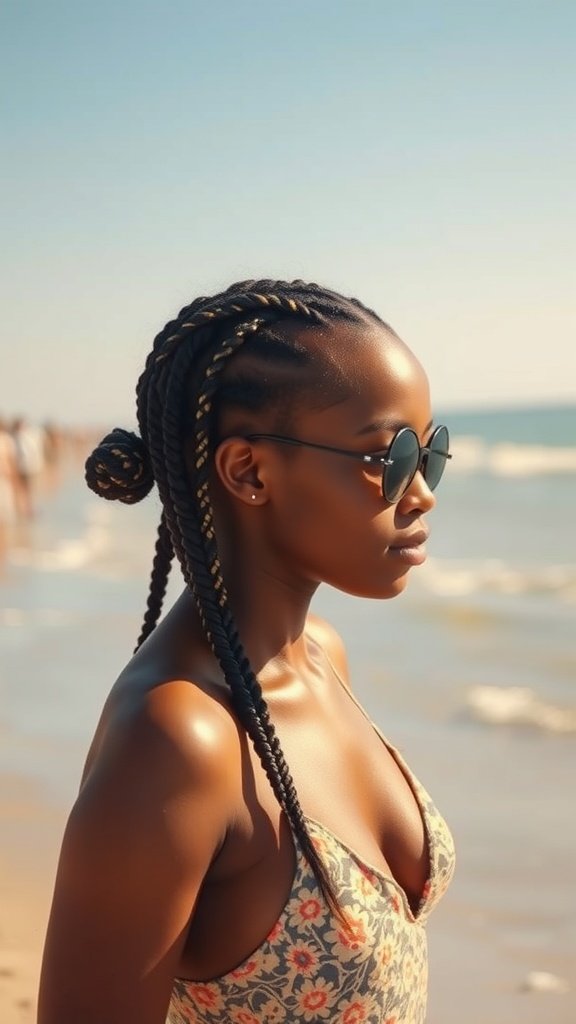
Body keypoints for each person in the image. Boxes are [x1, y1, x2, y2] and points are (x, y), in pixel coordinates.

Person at [38, 279, 455, 1024]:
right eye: (387, 457)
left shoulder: (321, 655)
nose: (420, 491)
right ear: (249, 472)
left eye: (431, 453)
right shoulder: (178, 741)